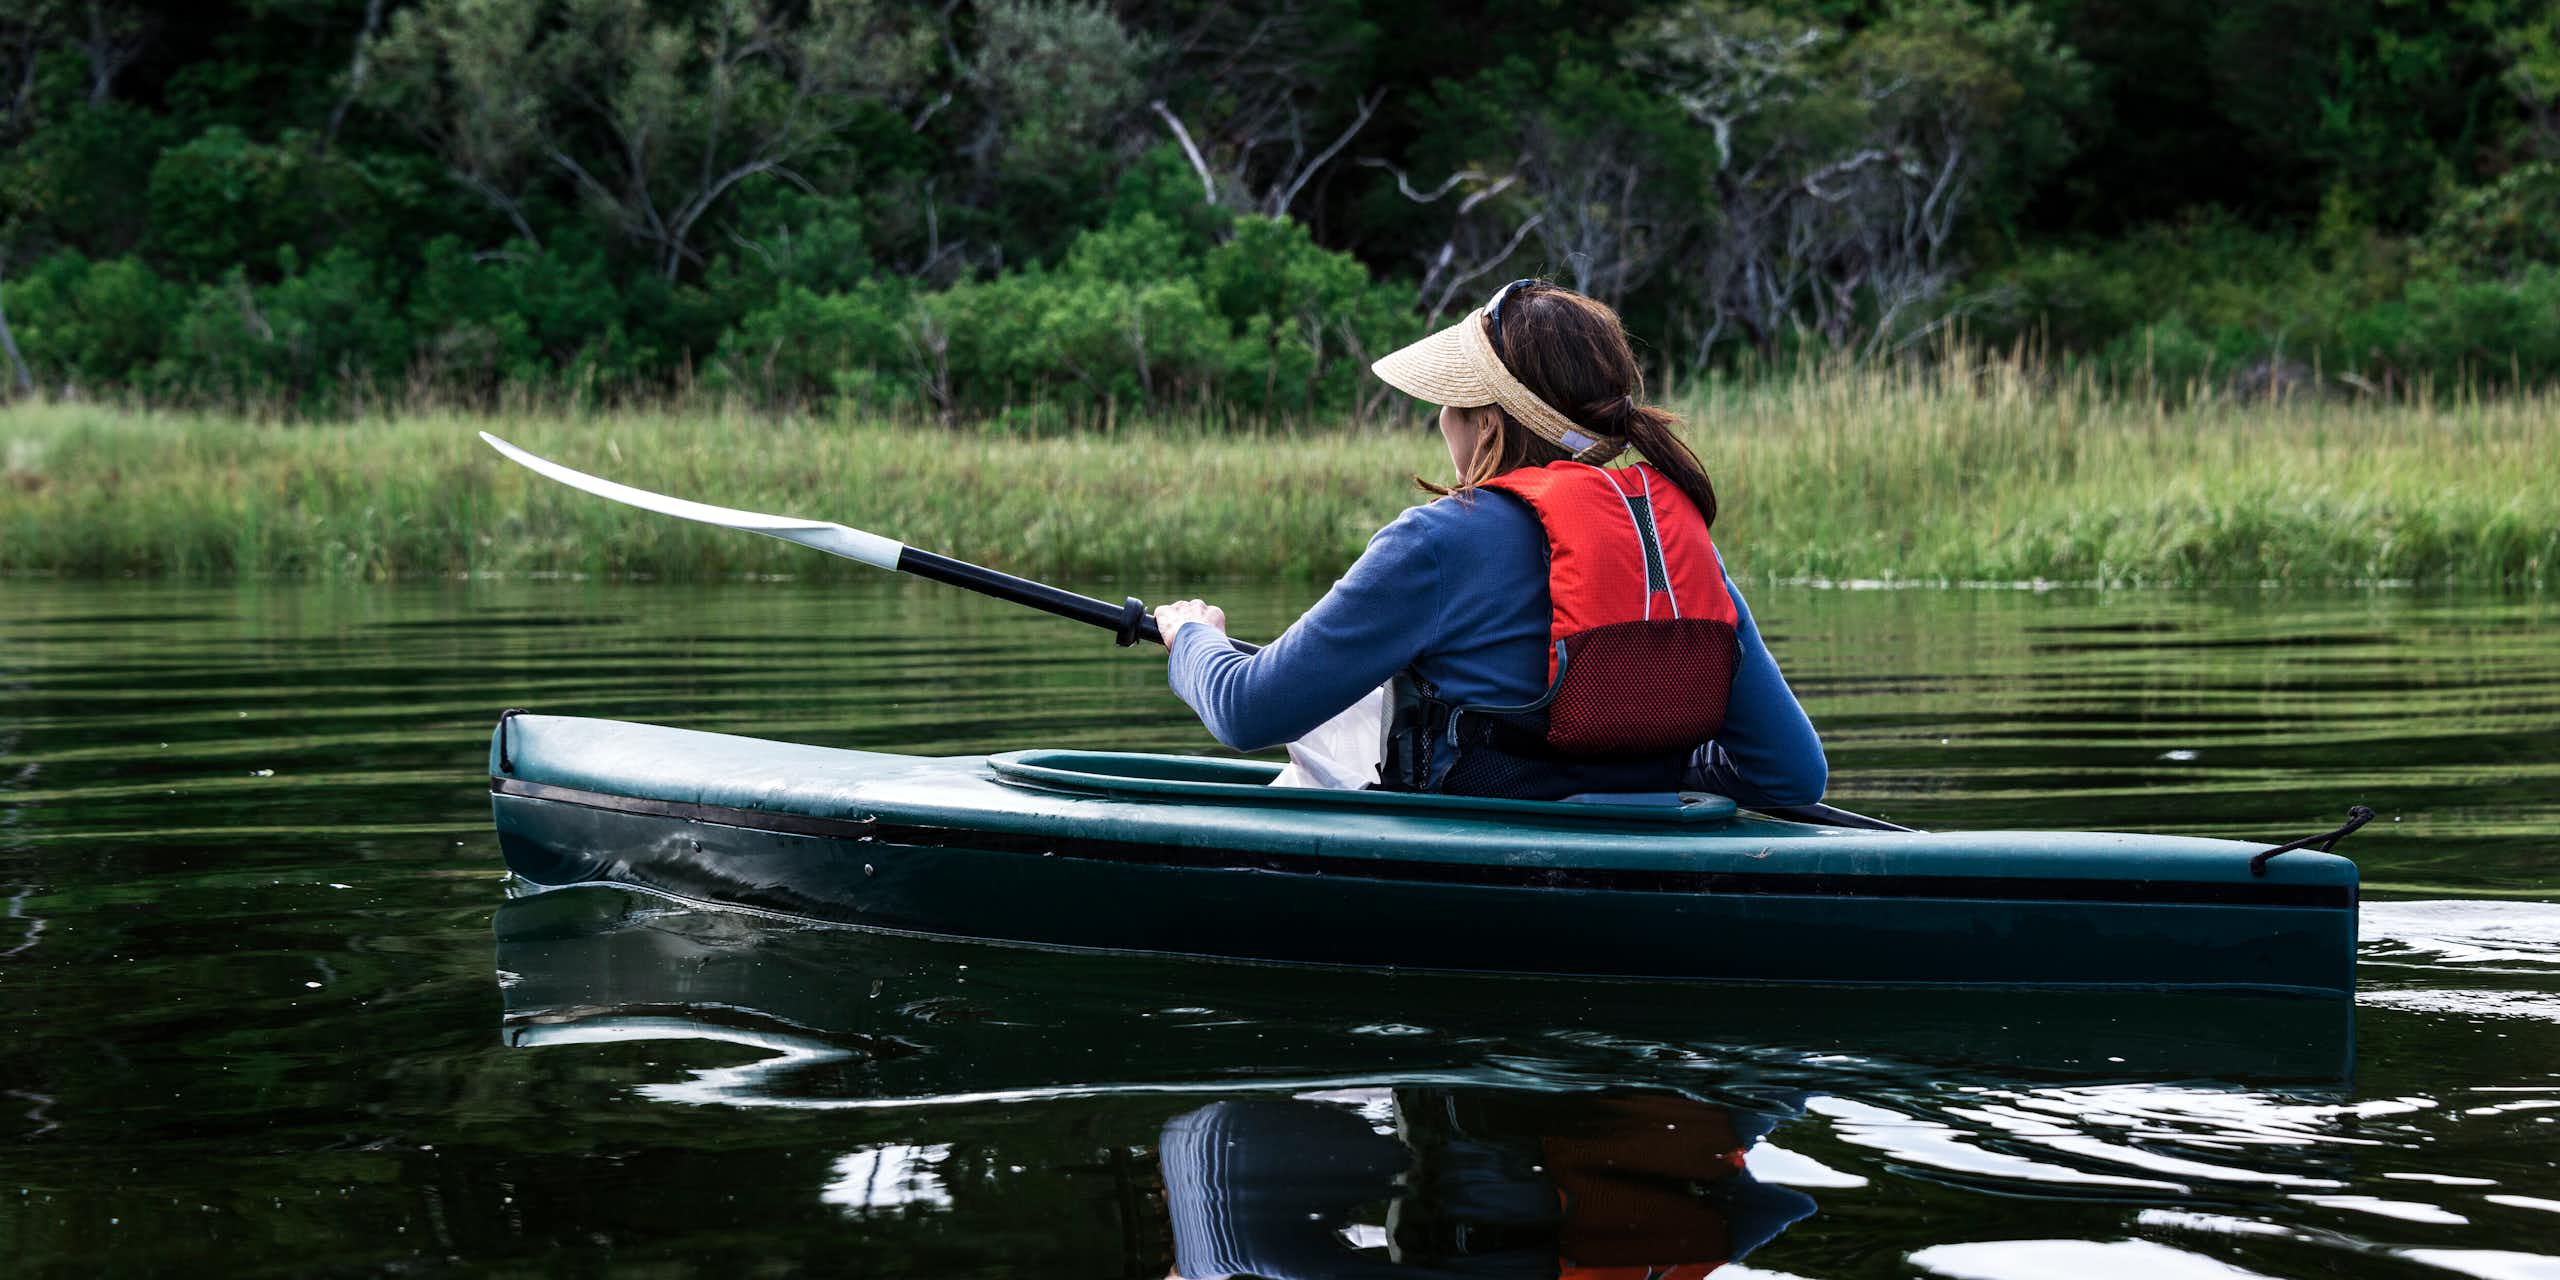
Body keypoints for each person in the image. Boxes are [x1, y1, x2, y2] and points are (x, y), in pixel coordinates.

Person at [1155, 280, 1825, 807]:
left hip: (1473, 870)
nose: (1440, 419)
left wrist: (1192, 638)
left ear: (1484, 421)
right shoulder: (1671, 550)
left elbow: (1245, 710)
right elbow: (1792, 776)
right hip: (1640, 862)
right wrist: (1658, 775)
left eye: (1450, 401)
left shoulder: (1436, 541)